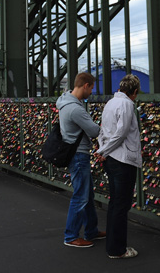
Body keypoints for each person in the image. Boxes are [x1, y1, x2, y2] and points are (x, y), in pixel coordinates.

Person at [95, 74, 142, 259]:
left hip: (111, 160)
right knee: (122, 206)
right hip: (123, 160)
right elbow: (121, 133)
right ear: (135, 92)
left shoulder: (110, 103)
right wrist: (103, 151)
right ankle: (117, 250)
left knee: (115, 204)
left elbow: (103, 131)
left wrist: (102, 149)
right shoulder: (127, 104)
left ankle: (113, 245)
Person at [56, 72, 103, 248]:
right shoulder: (75, 108)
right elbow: (94, 131)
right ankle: (71, 236)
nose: (92, 91)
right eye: (91, 88)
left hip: (75, 154)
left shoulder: (65, 101)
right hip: (79, 156)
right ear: (85, 86)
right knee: (81, 197)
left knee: (87, 195)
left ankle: (91, 230)